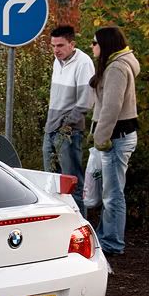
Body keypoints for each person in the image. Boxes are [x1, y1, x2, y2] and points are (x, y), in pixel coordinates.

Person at [89, 26, 139, 256]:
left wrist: (100, 138)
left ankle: (112, 243)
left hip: (116, 138)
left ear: (106, 44)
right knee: (110, 192)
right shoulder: (114, 65)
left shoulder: (117, 68)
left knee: (113, 194)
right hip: (115, 136)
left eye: (94, 42)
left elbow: (112, 107)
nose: (91, 46)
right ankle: (106, 236)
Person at [43, 25, 95, 215]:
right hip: (51, 127)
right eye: (53, 46)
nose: (56, 50)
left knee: (72, 184)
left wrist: (67, 124)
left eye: (60, 45)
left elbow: (86, 101)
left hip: (68, 131)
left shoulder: (83, 63)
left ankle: (80, 224)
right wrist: (50, 124)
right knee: (50, 183)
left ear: (72, 44)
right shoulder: (58, 61)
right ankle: (59, 223)